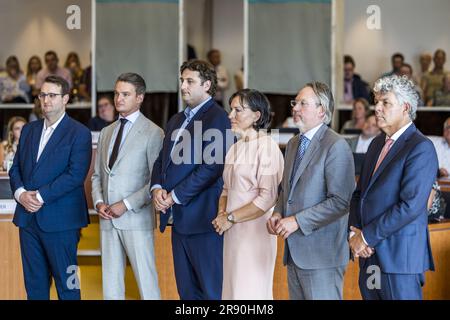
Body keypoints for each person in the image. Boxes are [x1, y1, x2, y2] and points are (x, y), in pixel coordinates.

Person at [348, 75, 438, 300]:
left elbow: (410, 206)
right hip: (370, 258)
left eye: (385, 102)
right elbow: (360, 194)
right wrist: (354, 233)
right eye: (376, 102)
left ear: (405, 107)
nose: (377, 108)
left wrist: (365, 237)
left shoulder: (421, 148)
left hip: (399, 261)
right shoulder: (377, 143)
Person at [267, 81, 355, 300]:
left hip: (322, 257)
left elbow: (340, 202)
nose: (295, 108)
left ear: (321, 111)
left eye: (302, 103)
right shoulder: (294, 143)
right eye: (294, 102)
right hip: (295, 253)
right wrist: (277, 212)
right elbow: (285, 190)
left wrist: (296, 221)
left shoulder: (336, 145)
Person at [150, 59, 231, 300]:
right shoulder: (175, 119)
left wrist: (173, 196)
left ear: (207, 85)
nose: (183, 86)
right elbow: (161, 160)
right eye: (182, 80)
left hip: (203, 219)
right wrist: (156, 188)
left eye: (190, 81)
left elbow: (212, 167)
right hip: (178, 221)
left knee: (210, 291)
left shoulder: (217, 118)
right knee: (186, 292)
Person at [9, 75, 92, 300]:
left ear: (65, 99)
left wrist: (40, 196)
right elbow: (15, 168)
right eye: (42, 95)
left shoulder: (79, 133)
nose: (46, 100)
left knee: (69, 287)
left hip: (62, 222)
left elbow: (75, 176)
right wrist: (20, 194)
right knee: (34, 287)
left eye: (52, 95)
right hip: (28, 220)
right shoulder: (29, 130)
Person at [91, 73, 163, 300]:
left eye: (125, 94)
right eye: (116, 93)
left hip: (136, 218)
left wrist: (126, 204)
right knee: (110, 286)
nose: (118, 99)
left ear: (139, 97)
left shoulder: (154, 132)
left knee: (146, 283)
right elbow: (96, 176)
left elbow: (156, 180)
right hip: (107, 218)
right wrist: (99, 201)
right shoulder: (106, 132)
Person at [212, 89, 284, 299]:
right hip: (232, 232)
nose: (230, 115)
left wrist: (231, 218)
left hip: (255, 234)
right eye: (231, 109)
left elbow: (268, 198)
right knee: (232, 292)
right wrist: (222, 215)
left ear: (257, 115)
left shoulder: (268, 147)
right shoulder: (235, 148)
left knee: (250, 292)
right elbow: (225, 189)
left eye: (238, 110)